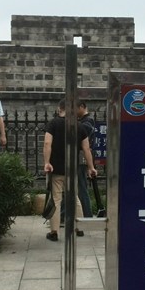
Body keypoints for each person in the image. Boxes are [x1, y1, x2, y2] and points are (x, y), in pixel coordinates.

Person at [43, 99, 97, 241]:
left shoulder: (53, 124)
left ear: (59, 109)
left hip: (56, 169)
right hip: (72, 169)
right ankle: (79, 228)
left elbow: (47, 143)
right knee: (75, 198)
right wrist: (91, 167)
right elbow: (86, 149)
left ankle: (54, 232)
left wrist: (47, 162)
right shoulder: (79, 126)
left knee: (56, 199)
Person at [76, 101, 95, 218]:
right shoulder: (84, 121)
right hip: (81, 155)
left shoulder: (87, 122)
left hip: (81, 155)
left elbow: (83, 142)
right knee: (79, 186)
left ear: (82, 107)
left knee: (81, 186)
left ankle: (87, 215)